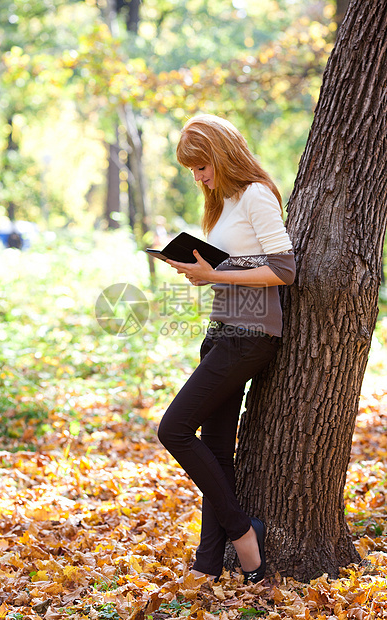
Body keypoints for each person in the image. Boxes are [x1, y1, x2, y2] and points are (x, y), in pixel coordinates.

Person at [157, 114, 296, 583]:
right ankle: (208, 564)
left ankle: (243, 533)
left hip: (251, 335)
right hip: (221, 331)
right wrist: (201, 268)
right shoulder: (227, 202)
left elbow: (284, 269)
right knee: (215, 449)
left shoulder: (257, 194)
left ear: (221, 155)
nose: (198, 177)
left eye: (202, 167)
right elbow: (237, 266)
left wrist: (213, 273)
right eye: (192, 170)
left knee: (173, 430)